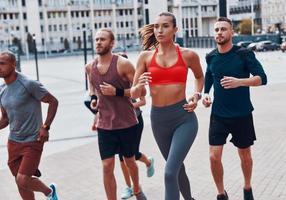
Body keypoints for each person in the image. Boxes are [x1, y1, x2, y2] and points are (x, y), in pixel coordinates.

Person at [131, 12, 204, 200]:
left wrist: (196, 96)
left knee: (169, 173)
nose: (159, 30)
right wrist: (139, 85)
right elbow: (133, 93)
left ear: (175, 29)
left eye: (165, 26)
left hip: (183, 118)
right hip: (159, 120)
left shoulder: (188, 55)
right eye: (156, 26)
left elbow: (199, 76)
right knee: (177, 169)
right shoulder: (145, 57)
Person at [202, 17, 267, 200]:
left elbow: (262, 78)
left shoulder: (244, 54)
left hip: (242, 114)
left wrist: (240, 82)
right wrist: (206, 93)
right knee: (214, 157)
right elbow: (209, 76)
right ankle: (221, 194)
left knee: (245, 155)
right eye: (216, 30)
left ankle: (247, 188)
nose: (219, 33)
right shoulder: (211, 56)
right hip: (218, 115)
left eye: (223, 29)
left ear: (232, 32)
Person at [85, 28, 147, 200]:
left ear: (112, 43)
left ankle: (136, 189)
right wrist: (93, 98)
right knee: (107, 166)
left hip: (127, 123)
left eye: (102, 39)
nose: (98, 42)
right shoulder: (90, 67)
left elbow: (141, 92)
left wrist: (117, 92)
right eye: (96, 39)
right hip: (105, 124)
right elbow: (92, 86)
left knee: (129, 161)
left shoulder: (123, 64)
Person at [0, 51, 59, 200]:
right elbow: (5, 119)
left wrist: (45, 127)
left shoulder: (28, 84)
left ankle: (50, 192)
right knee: (20, 183)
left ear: (13, 64)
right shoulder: (1, 90)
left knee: (23, 179)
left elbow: (53, 101)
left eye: (2, 63)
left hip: (33, 140)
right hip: (13, 142)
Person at [116, 53, 155, 200]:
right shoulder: (113, 83)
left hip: (135, 121)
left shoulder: (134, 81)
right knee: (122, 158)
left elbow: (143, 101)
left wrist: (130, 105)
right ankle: (129, 187)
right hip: (118, 124)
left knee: (131, 155)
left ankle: (148, 162)